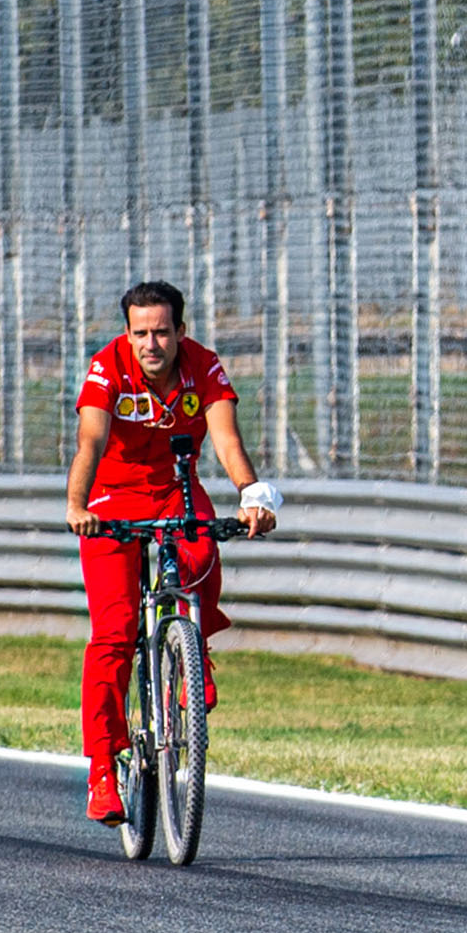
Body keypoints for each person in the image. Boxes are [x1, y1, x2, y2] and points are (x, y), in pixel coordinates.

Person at [68, 280, 279, 827]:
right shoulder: (106, 368)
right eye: (140, 333)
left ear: (180, 332)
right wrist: (78, 504)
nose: (151, 344)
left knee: (204, 548)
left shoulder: (203, 366)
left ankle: (193, 647)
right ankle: (103, 771)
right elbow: (91, 441)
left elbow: (226, 440)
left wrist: (251, 496)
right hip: (111, 499)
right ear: (127, 333)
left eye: (162, 332)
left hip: (175, 488)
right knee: (114, 633)